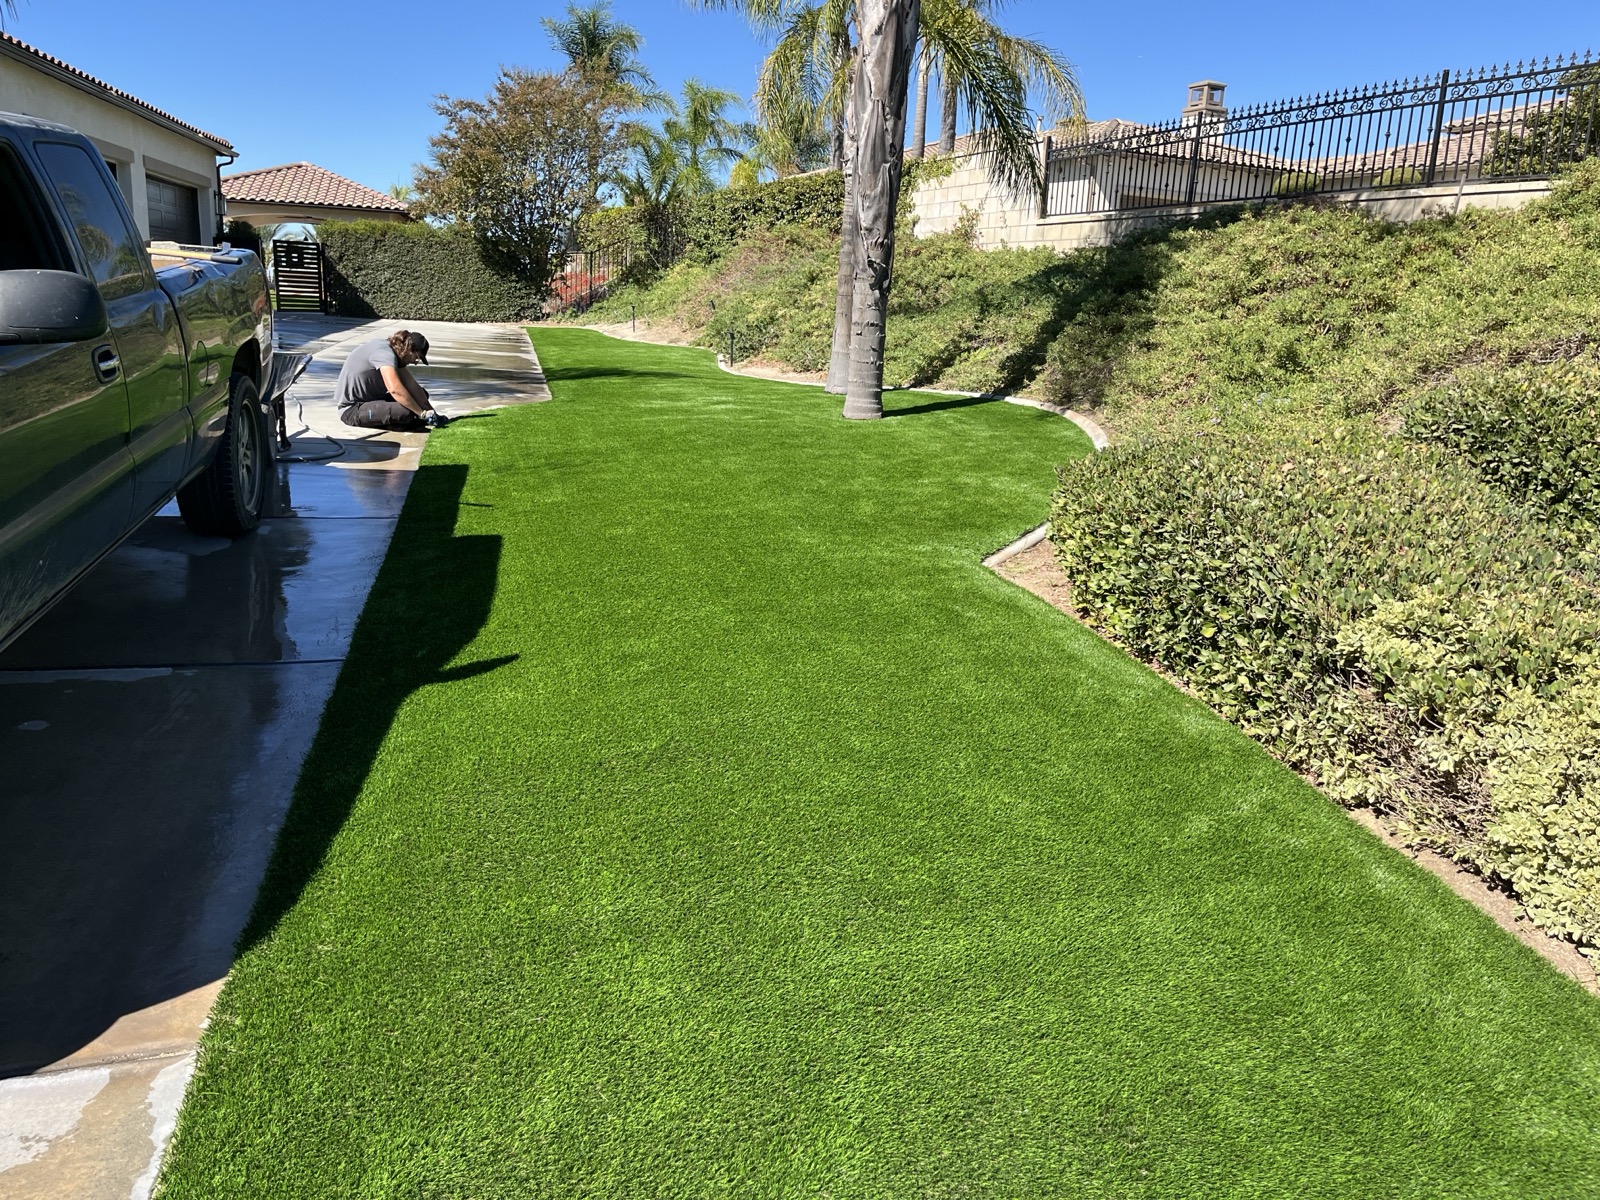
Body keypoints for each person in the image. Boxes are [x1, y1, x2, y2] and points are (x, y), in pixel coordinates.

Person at [335, 329, 450, 431]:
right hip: (352, 410)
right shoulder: (384, 354)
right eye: (417, 358)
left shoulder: (395, 352)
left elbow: (413, 388)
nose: (415, 362)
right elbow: (395, 389)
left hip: (372, 400)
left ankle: (400, 421)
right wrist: (422, 413)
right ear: (409, 350)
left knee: (420, 397)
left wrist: (433, 413)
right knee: (405, 412)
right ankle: (396, 423)